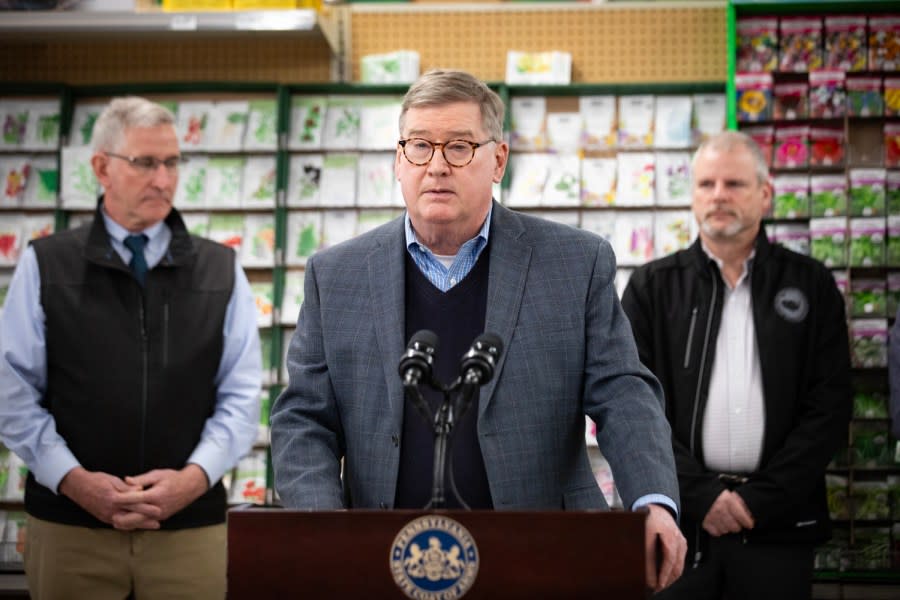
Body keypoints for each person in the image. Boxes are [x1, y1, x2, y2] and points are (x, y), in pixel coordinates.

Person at [270, 69, 686, 592]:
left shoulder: (575, 263)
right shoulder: (336, 275)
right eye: (419, 146)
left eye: (460, 146)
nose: (437, 165)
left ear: (498, 160)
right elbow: (303, 416)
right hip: (383, 561)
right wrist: (321, 523)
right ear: (399, 161)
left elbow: (624, 394)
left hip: (542, 560)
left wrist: (653, 501)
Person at [0, 96, 262, 599]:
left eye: (172, 163)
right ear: (101, 167)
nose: (163, 179)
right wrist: (76, 482)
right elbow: (14, 395)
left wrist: (192, 480)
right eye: (145, 163)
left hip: (190, 531)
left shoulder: (220, 270)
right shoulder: (46, 265)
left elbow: (242, 396)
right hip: (70, 530)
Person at [621, 130, 852, 600]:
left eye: (734, 184)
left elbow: (829, 408)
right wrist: (703, 496)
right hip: (681, 524)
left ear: (765, 194)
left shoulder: (811, 284)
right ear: (692, 196)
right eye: (706, 184)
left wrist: (755, 500)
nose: (719, 195)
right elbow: (633, 407)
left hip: (779, 526)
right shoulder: (651, 287)